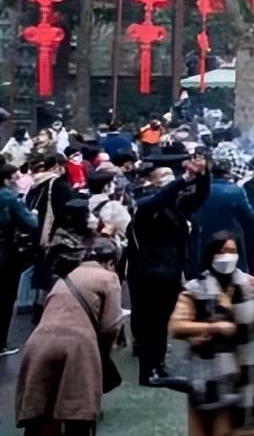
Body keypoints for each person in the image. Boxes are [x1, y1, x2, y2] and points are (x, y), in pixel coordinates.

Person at [15, 238, 125, 436]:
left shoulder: (64, 278)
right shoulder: (109, 278)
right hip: (78, 346)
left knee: (40, 411)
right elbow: (110, 326)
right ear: (110, 262)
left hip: (38, 342)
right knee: (77, 413)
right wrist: (103, 355)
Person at [170, 232, 254, 436]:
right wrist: (213, 328)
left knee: (242, 429)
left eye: (232, 251)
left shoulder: (249, 285)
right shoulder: (195, 289)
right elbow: (176, 326)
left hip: (244, 374)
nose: (227, 256)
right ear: (211, 255)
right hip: (209, 377)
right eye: (222, 251)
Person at [127, 155, 211, 385]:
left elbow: (201, 195)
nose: (170, 180)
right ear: (153, 182)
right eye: (164, 177)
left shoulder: (176, 207)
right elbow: (158, 199)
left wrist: (203, 175)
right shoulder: (145, 205)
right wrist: (184, 180)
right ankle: (148, 371)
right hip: (148, 274)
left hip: (169, 273)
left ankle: (158, 364)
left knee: (162, 322)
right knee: (150, 324)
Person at [190, 156, 254, 275]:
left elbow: (193, 214)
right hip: (232, 233)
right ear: (228, 172)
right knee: (236, 268)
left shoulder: (200, 189)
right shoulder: (237, 191)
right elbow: (249, 215)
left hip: (206, 234)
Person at [1, 163, 38, 357]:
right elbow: (31, 223)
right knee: (5, 297)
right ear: (6, 179)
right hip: (5, 252)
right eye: (15, 178)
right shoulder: (10, 198)